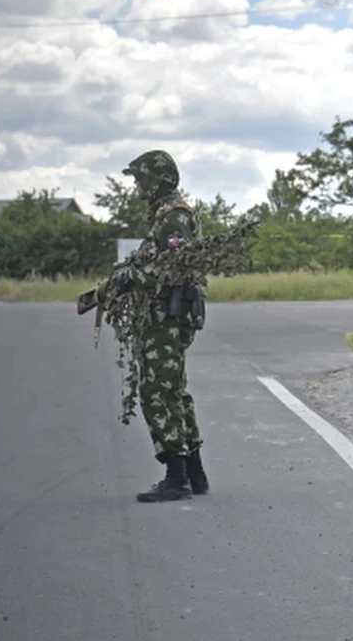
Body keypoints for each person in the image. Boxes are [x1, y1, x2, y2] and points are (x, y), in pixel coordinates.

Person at [118, 150, 210, 503]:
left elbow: (174, 264)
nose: (137, 186)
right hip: (165, 316)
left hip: (166, 317)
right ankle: (194, 473)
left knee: (158, 391)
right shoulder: (165, 215)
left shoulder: (173, 216)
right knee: (173, 390)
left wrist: (133, 276)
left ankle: (176, 478)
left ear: (157, 181)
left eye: (140, 178)